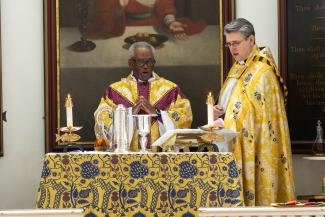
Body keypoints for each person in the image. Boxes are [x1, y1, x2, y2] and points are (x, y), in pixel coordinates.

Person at [213, 18, 295, 206]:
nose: (232, 49)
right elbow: (232, 105)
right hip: (233, 142)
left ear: (251, 40)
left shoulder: (262, 70)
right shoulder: (239, 66)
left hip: (255, 144)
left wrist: (227, 121)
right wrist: (218, 112)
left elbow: (255, 113)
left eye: (236, 43)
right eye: (229, 44)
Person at [94, 41, 192, 151]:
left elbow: (185, 118)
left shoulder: (171, 89)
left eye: (149, 62)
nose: (146, 66)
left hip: (162, 159)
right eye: (141, 62)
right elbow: (102, 121)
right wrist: (130, 113)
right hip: (126, 159)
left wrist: (157, 113)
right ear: (131, 63)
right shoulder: (114, 91)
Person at [86, 0, 206, 40]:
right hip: (122, 29)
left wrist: (171, 21)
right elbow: (104, 15)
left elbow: (165, 4)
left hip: (153, 28)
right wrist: (118, 6)